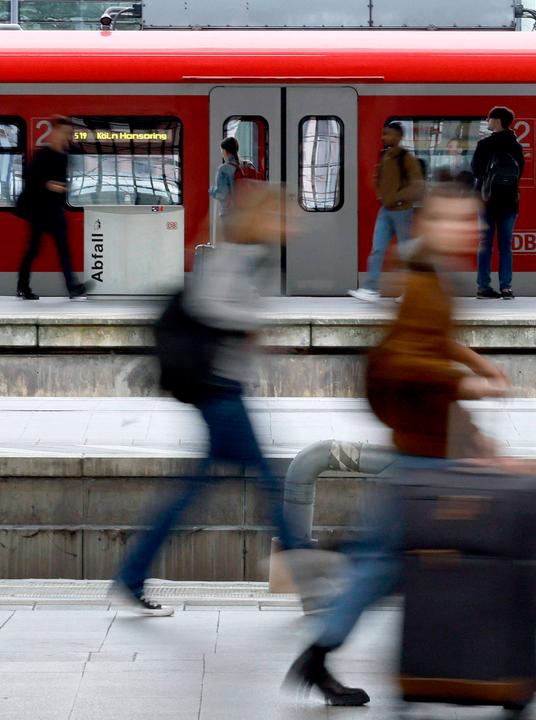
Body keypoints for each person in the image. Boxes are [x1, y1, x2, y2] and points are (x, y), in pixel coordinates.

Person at [285, 181, 514, 706]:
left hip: (427, 451)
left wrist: (474, 366)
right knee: (449, 561)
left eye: (473, 219)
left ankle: (320, 653)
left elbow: (430, 344)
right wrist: (469, 382)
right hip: (420, 459)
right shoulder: (423, 283)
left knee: (389, 565)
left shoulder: (433, 280)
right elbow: (407, 362)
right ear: (431, 225)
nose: (472, 229)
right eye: (459, 219)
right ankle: (509, 666)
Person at [111, 182, 305, 616]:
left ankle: (131, 575)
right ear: (263, 218)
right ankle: (306, 575)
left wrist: (253, 336)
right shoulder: (240, 255)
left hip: (222, 387)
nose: (293, 222)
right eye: (284, 215)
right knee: (269, 483)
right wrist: (250, 327)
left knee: (199, 488)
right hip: (219, 389)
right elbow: (208, 306)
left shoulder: (251, 256)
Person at [349, 122, 425, 303]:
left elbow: (417, 184)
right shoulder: (384, 156)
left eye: (389, 134)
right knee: (377, 249)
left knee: (405, 252)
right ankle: (371, 289)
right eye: (384, 134)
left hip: (402, 211)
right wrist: (381, 196)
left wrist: (398, 198)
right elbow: (378, 179)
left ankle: (410, 291)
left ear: (399, 137)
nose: (384, 138)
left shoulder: (406, 158)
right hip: (386, 210)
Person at [15, 115, 89, 301]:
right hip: (39, 210)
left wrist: (60, 186)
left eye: (68, 134)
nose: (67, 137)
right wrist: (49, 185)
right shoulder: (42, 155)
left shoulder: (63, 157)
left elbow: (62, 183)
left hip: (54, 210)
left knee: (64, 249)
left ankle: (72, 287)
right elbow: (32, 181)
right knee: (33, 249)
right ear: (55, 132)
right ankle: (23, 286)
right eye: (65, 133)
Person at [472, 106, 524, 300]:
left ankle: (483, 287)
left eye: (489, 118)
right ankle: (506, 287)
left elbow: (475, 170)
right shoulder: (516, 146)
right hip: (509, 201)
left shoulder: (484, 144)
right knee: (506, 246)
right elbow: (520, 173)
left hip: (486, 201)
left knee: (485, 245)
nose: (487, 121)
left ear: (497, 121)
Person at [209, 136, 241, 220]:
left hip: (229, 213)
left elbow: (222, 195)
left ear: (225, 151)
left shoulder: (223, 169)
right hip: (243, 214)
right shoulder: (244, 166)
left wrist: (212, 190)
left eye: (222, 150)